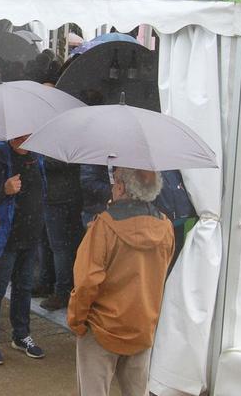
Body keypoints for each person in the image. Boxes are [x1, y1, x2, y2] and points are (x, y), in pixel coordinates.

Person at [69, 168, 174, 396]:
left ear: (121, 187)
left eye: (115, 181)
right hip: (142, 325)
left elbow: (87, 281)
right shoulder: (166, 227)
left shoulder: (104, 226)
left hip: (102, 327)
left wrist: (76, 320)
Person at [0, 135, 47, 365]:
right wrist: (3, 189)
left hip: (30, 234)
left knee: (24, 288)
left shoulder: (37, 155)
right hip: (6, 237)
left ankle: (21, 335)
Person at [39, 158, 84, 311]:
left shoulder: (61, 141)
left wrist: (38, 158)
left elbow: (61, 161)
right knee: (48, 243)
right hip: (59, 195)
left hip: (59, 197)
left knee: (60, 247)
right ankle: (47, 282)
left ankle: (62, 291)